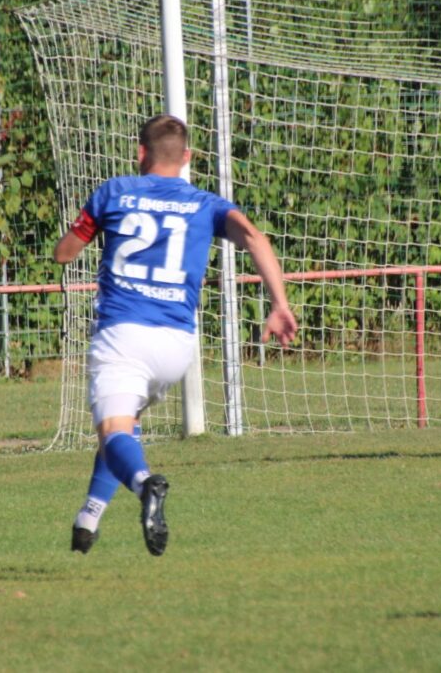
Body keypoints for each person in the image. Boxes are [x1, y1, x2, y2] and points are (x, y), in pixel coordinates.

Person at [54, 114, 297, 556]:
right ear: (187, 157)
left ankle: (145, 484)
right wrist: (279, 304)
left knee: (113, 431)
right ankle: (88, 518)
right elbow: (255, 238)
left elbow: (65, 254)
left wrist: (83, 230)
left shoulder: (113, 192)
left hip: (124, 334)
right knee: (125, 423)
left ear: (139, 152)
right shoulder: (206, 204)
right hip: (177, 345)